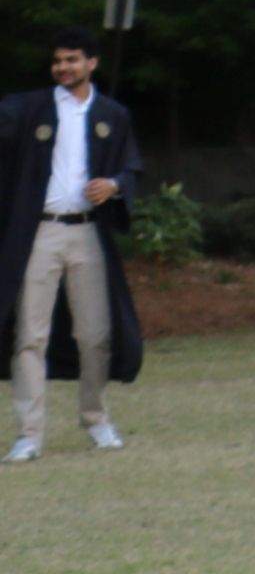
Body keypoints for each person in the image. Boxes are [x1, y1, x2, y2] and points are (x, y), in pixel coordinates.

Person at [5, 27, 141, 469]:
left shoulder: (112, 114)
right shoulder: (27, 108)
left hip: (88, 234)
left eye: (72, 60)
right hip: (40, 233)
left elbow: (130, 168)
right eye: (58, 60)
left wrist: (115, 185)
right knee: (30, 336)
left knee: (95, 334)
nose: (63, 67)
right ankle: (29, 434)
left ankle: (95, 419)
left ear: (92, 63)